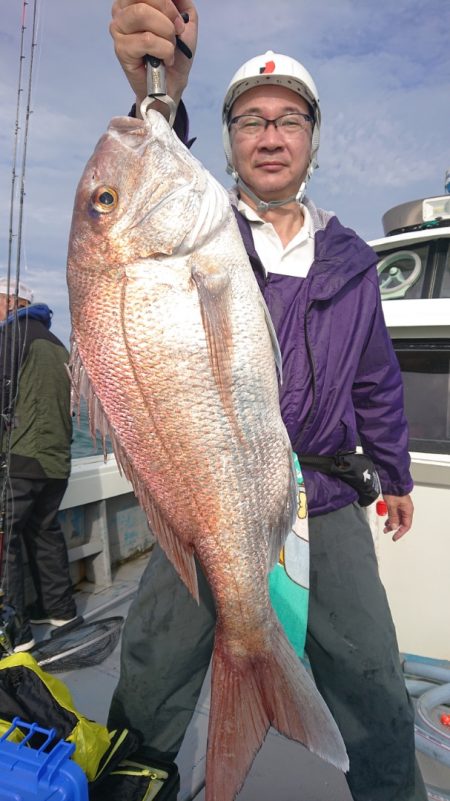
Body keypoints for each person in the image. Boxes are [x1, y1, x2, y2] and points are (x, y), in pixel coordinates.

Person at [107, 3, 428, 800]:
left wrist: (396, 472)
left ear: (314, 138)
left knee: (374, 682)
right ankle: (123, 783)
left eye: (289, 120)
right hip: (211, 492)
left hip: (325, 492)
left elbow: (376, 380)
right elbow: (150, 205)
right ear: (227, 142)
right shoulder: (203, 228)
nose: (271, 135)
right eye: (250, 120)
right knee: (150, 667)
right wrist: (161, 98)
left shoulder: (353, 258)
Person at [0, 277, 77, 652]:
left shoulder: (11, 337)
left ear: (13, 302)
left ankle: (18, 634)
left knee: (5, 544)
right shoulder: (57, 343)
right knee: (45, 533)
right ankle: (62, 612)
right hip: (57, 462)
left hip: (20, 460)